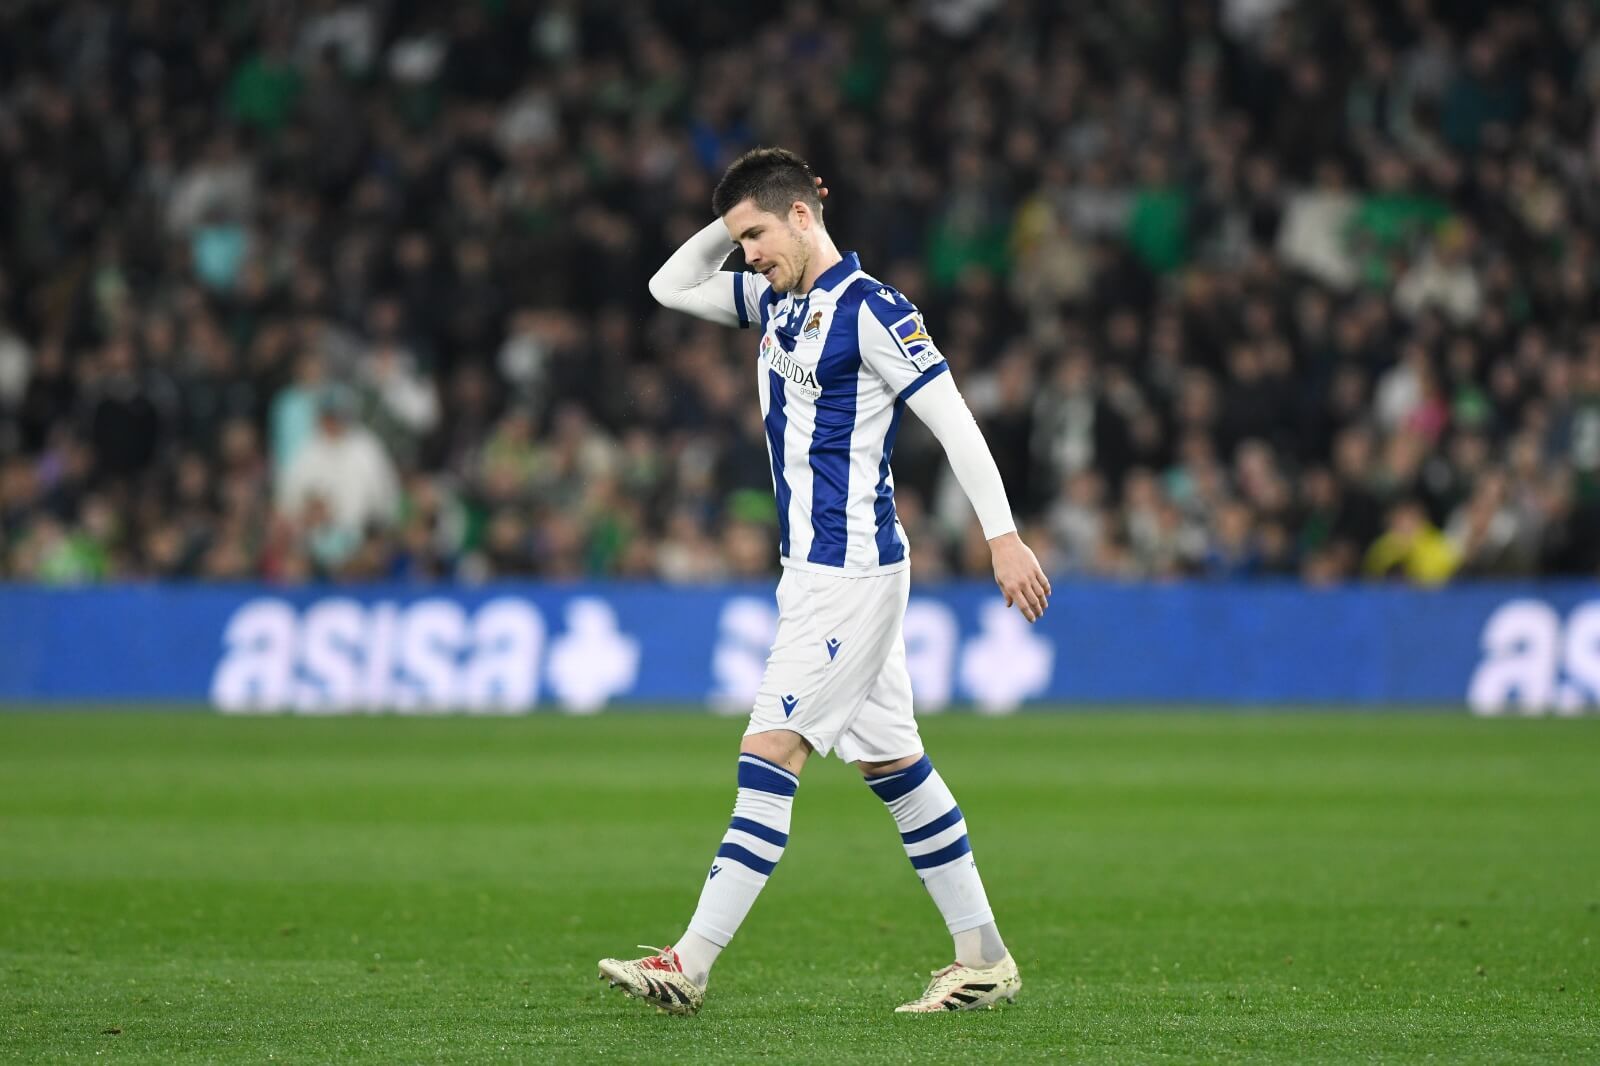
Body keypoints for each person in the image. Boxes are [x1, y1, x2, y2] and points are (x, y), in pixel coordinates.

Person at [598, 148, 1051, 1015]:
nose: (748, 255)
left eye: (759, 235)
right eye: (740, 241)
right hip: (812, 571)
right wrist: (740, 217)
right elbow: (666, 285)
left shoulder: (873, 311)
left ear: (806, 214)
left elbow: (954, 422)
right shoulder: (775, 300)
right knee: (895, 765)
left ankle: (687, 963)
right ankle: (984, 956)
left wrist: (1004, 538)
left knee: (770, 753)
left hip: (849, 572)